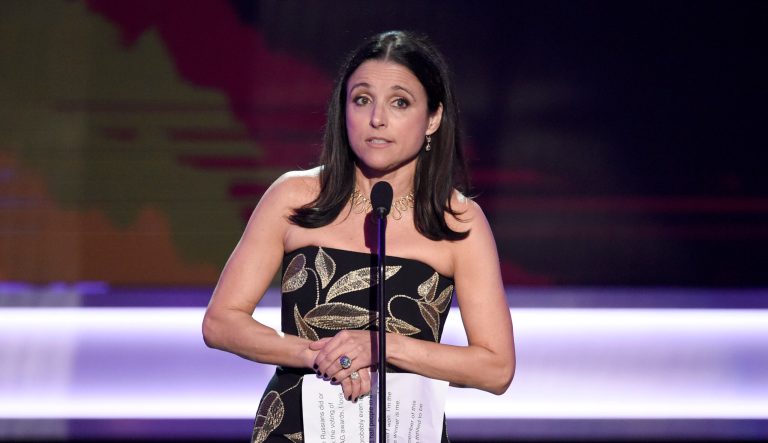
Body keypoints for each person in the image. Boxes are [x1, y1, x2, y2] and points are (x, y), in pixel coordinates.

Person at [203, 30, 515, 443]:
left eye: (399, 102)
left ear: (433, 118)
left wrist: (382, 347)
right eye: (362, 99)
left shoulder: (459, 222)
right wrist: (322, 355)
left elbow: (495, 368)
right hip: (295, 428)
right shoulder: (294, 197)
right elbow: (221, 322)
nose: (377, 119)